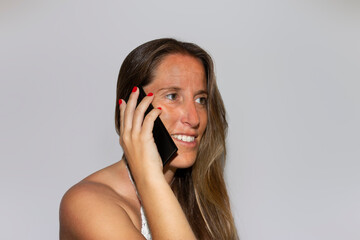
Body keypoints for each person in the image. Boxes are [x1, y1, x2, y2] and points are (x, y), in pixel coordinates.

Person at [59, 38, 239, 240]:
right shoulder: (86, 203)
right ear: (134, 107)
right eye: (172, 96)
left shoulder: (200, 202)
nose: (194, 118)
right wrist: (149, 175)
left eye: (201, 100)